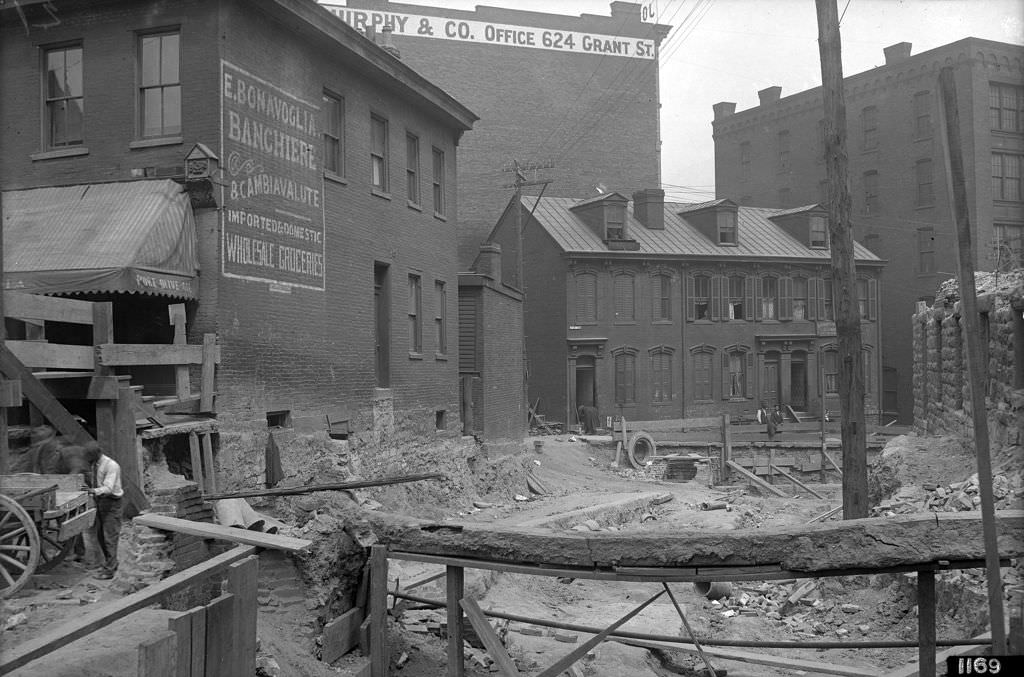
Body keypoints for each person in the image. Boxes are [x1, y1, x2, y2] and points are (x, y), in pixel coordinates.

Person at [83, 442, 123, 580]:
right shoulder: (95, 464)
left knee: (110, 537)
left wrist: (93, 491)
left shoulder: (111, 465)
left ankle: (109, 571)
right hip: (100, 502)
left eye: (89, 456)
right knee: (100, 535)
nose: (87, 459)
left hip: (111, 502)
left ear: (97, 453)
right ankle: (110, 563)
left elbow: (108, 488)